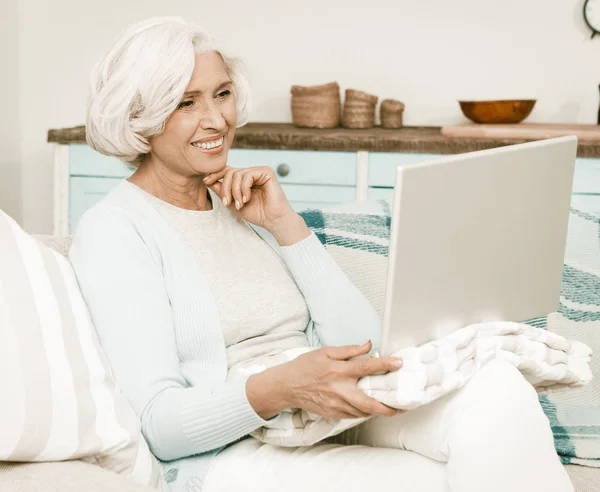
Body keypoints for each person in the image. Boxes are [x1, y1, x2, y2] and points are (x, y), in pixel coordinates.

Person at [69, 16, 574, 492]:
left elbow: (364, 345)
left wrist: (287, 226)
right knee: (429, 481)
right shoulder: (115, 230)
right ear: (141, 116)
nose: (217, 118)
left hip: (322, 414)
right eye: (186, 103)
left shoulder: (243, 203)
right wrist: (283, 388)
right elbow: (161, 424)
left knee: (498, 389)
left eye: (222, 94)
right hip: (231, 450)